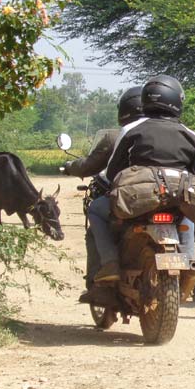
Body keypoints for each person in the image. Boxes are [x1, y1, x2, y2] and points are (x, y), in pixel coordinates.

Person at [87, 74, 195, 285]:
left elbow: (114, 172)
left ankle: (110, 263)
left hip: (138, 200)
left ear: (146, 100)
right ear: (178, 101)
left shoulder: (131, 129)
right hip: (177, 200)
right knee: (189, 212)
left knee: (96, 209)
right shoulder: (191, 135)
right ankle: (189, 260)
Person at [61, 86, 142, 303]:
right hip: (168, 196)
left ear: (124, 110)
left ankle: (108, 269)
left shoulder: (117, 137)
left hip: (128, 200)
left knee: (96, 213)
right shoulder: (175, 131)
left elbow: (93, 167)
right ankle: (190, 261)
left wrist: (70, 166)